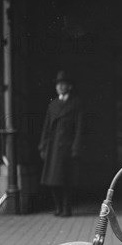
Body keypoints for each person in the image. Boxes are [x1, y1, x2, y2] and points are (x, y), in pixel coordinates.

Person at [38, 71, 84, 217]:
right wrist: (43, 145)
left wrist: (76, 146)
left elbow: (79, 127)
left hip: (67, 147)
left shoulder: (76, 103)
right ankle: (58, 207)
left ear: (69, 87)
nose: (59, 87)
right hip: (53, 147)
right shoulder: (53, 104)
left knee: (66, 180)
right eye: (58, 84)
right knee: (52, 180)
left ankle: (66, 208)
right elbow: (46, 126)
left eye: (63, 84)